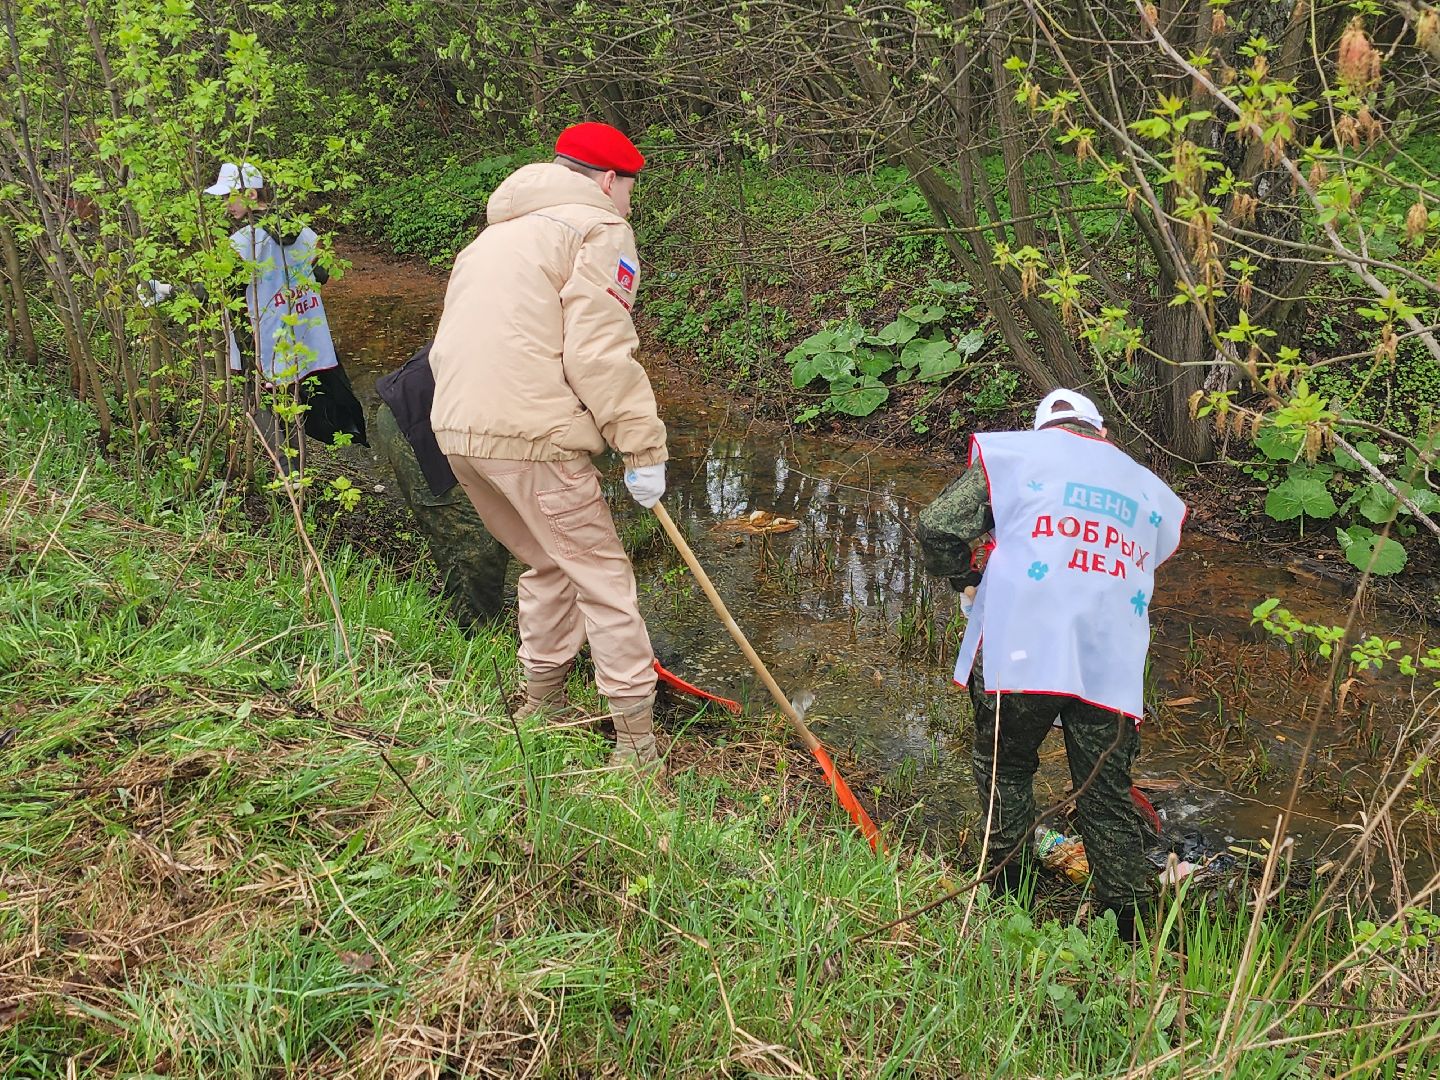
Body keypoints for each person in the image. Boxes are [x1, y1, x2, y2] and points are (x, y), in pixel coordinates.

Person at [428, 122, 668, 771]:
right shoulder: (599, 228)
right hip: (529, 433)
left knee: (548, 562)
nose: (629, 207)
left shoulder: (493, 236)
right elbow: (596, 353)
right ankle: (638, 748)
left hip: (454, 429)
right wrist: (643, 451)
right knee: (604, 579)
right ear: (610, 180)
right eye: (629, 192)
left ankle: (540, 704)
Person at [918, 389, 1185, 940]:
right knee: (1103, 792)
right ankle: (1134, 934)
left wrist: (966, 577)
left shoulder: (1017, 456)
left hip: (1021, 650)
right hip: (1108, 664)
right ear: (1101, 432)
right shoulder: (1147, 487)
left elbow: (937, 527)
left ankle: (1010, 900)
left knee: (1006, 768)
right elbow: (1149, 553)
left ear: (1043, 430)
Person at [208, 161, 367, 473]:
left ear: (250, 194)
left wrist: (168, 291)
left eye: (230, 196)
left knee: (258, 403)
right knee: (295, 401)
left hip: (263, 341)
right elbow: (322, 274)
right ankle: (297, 472)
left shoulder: (241, 244)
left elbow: (213, 291)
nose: (225, 205)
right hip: (306, 337)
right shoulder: (306, 233)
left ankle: (287, 471)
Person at [375, 342, 512, 626]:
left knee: (488, 533)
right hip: (417, 420)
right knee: (478, 539)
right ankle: (478, 640)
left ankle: (473, 621)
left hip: (462, 421)